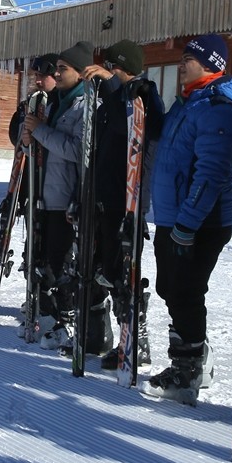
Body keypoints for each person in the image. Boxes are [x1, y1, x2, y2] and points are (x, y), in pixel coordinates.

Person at [144, 34, 232, 404]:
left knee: (185, 291)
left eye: (188, 57)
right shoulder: (189, 100)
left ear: (210, 63)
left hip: (201, 219)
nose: (180, 63)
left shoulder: (218, 106)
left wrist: (188, 224)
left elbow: (211, 173)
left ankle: (188, 370)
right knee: (171, 288)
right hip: (174, 216)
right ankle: (196, 357)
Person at [80, 40, 167, 368]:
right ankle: (102, 333)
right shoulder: (114, 96)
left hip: (127, 199)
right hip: (105, 196)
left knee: (123, 272)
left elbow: (133, 126)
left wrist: (113, 83)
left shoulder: (144, 92)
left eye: (112, 68)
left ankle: (135, 338)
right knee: (102, 269)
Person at [20, 43, 93, 350]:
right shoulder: (56, 103)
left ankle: (70, 320)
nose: (57, 74)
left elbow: (78, 150)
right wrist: (29, 138)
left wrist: (40, 132)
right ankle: (51, 315)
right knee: (46, 259)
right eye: (57, 68)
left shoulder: (85, 105)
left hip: (67, 195)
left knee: (63, 262)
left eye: (64, 69)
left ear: (81, 72)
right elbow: (41, 146)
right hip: (47, 191)